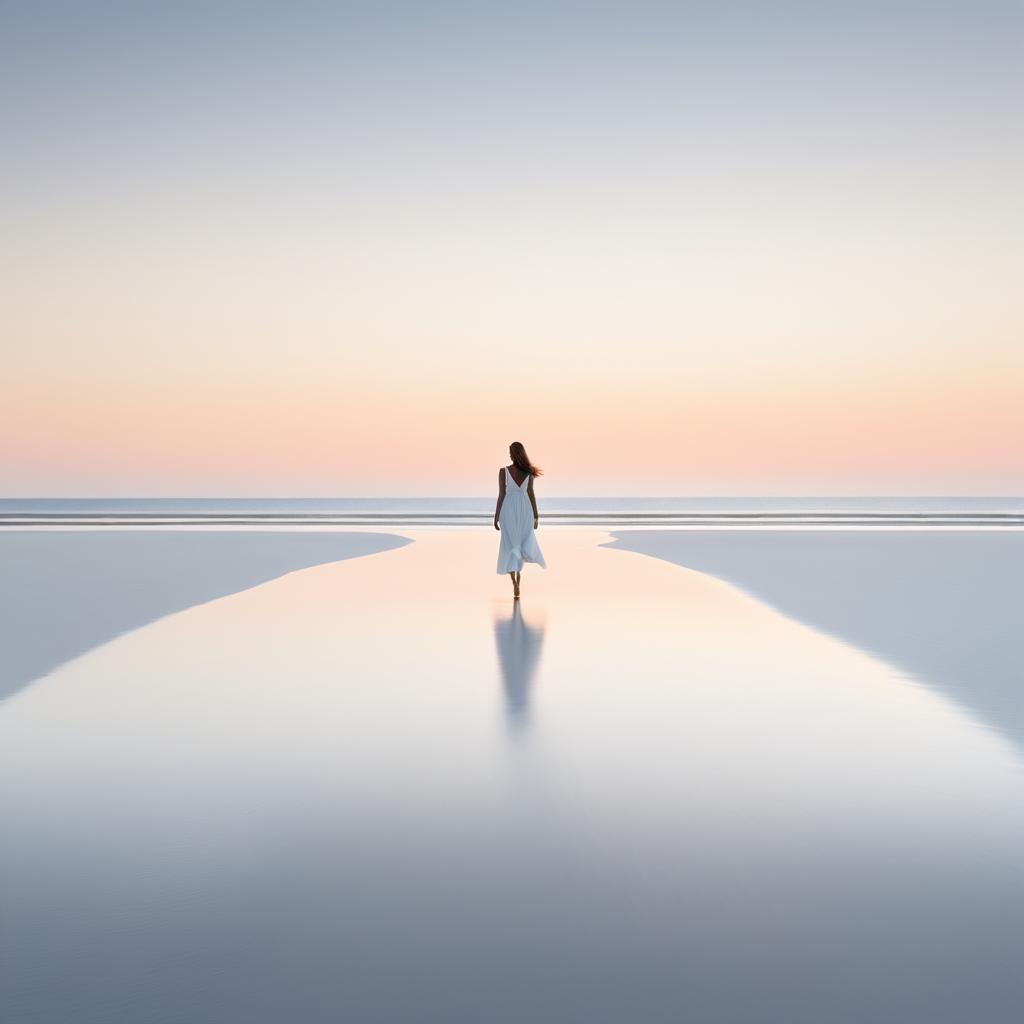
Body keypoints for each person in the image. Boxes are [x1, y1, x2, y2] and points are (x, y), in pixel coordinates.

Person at [494, 441, 546, 598]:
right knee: (512, 545)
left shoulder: (527, 473)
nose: (509, 455)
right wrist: (496, 516)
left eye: (510, 452)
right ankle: (516, 582)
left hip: (519, 512)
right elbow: (528, 495)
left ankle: (515, 582)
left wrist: (536, 516)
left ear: (515, 454)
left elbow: (527, 494)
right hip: (514, 512)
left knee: (514, 546)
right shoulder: (504, 472)